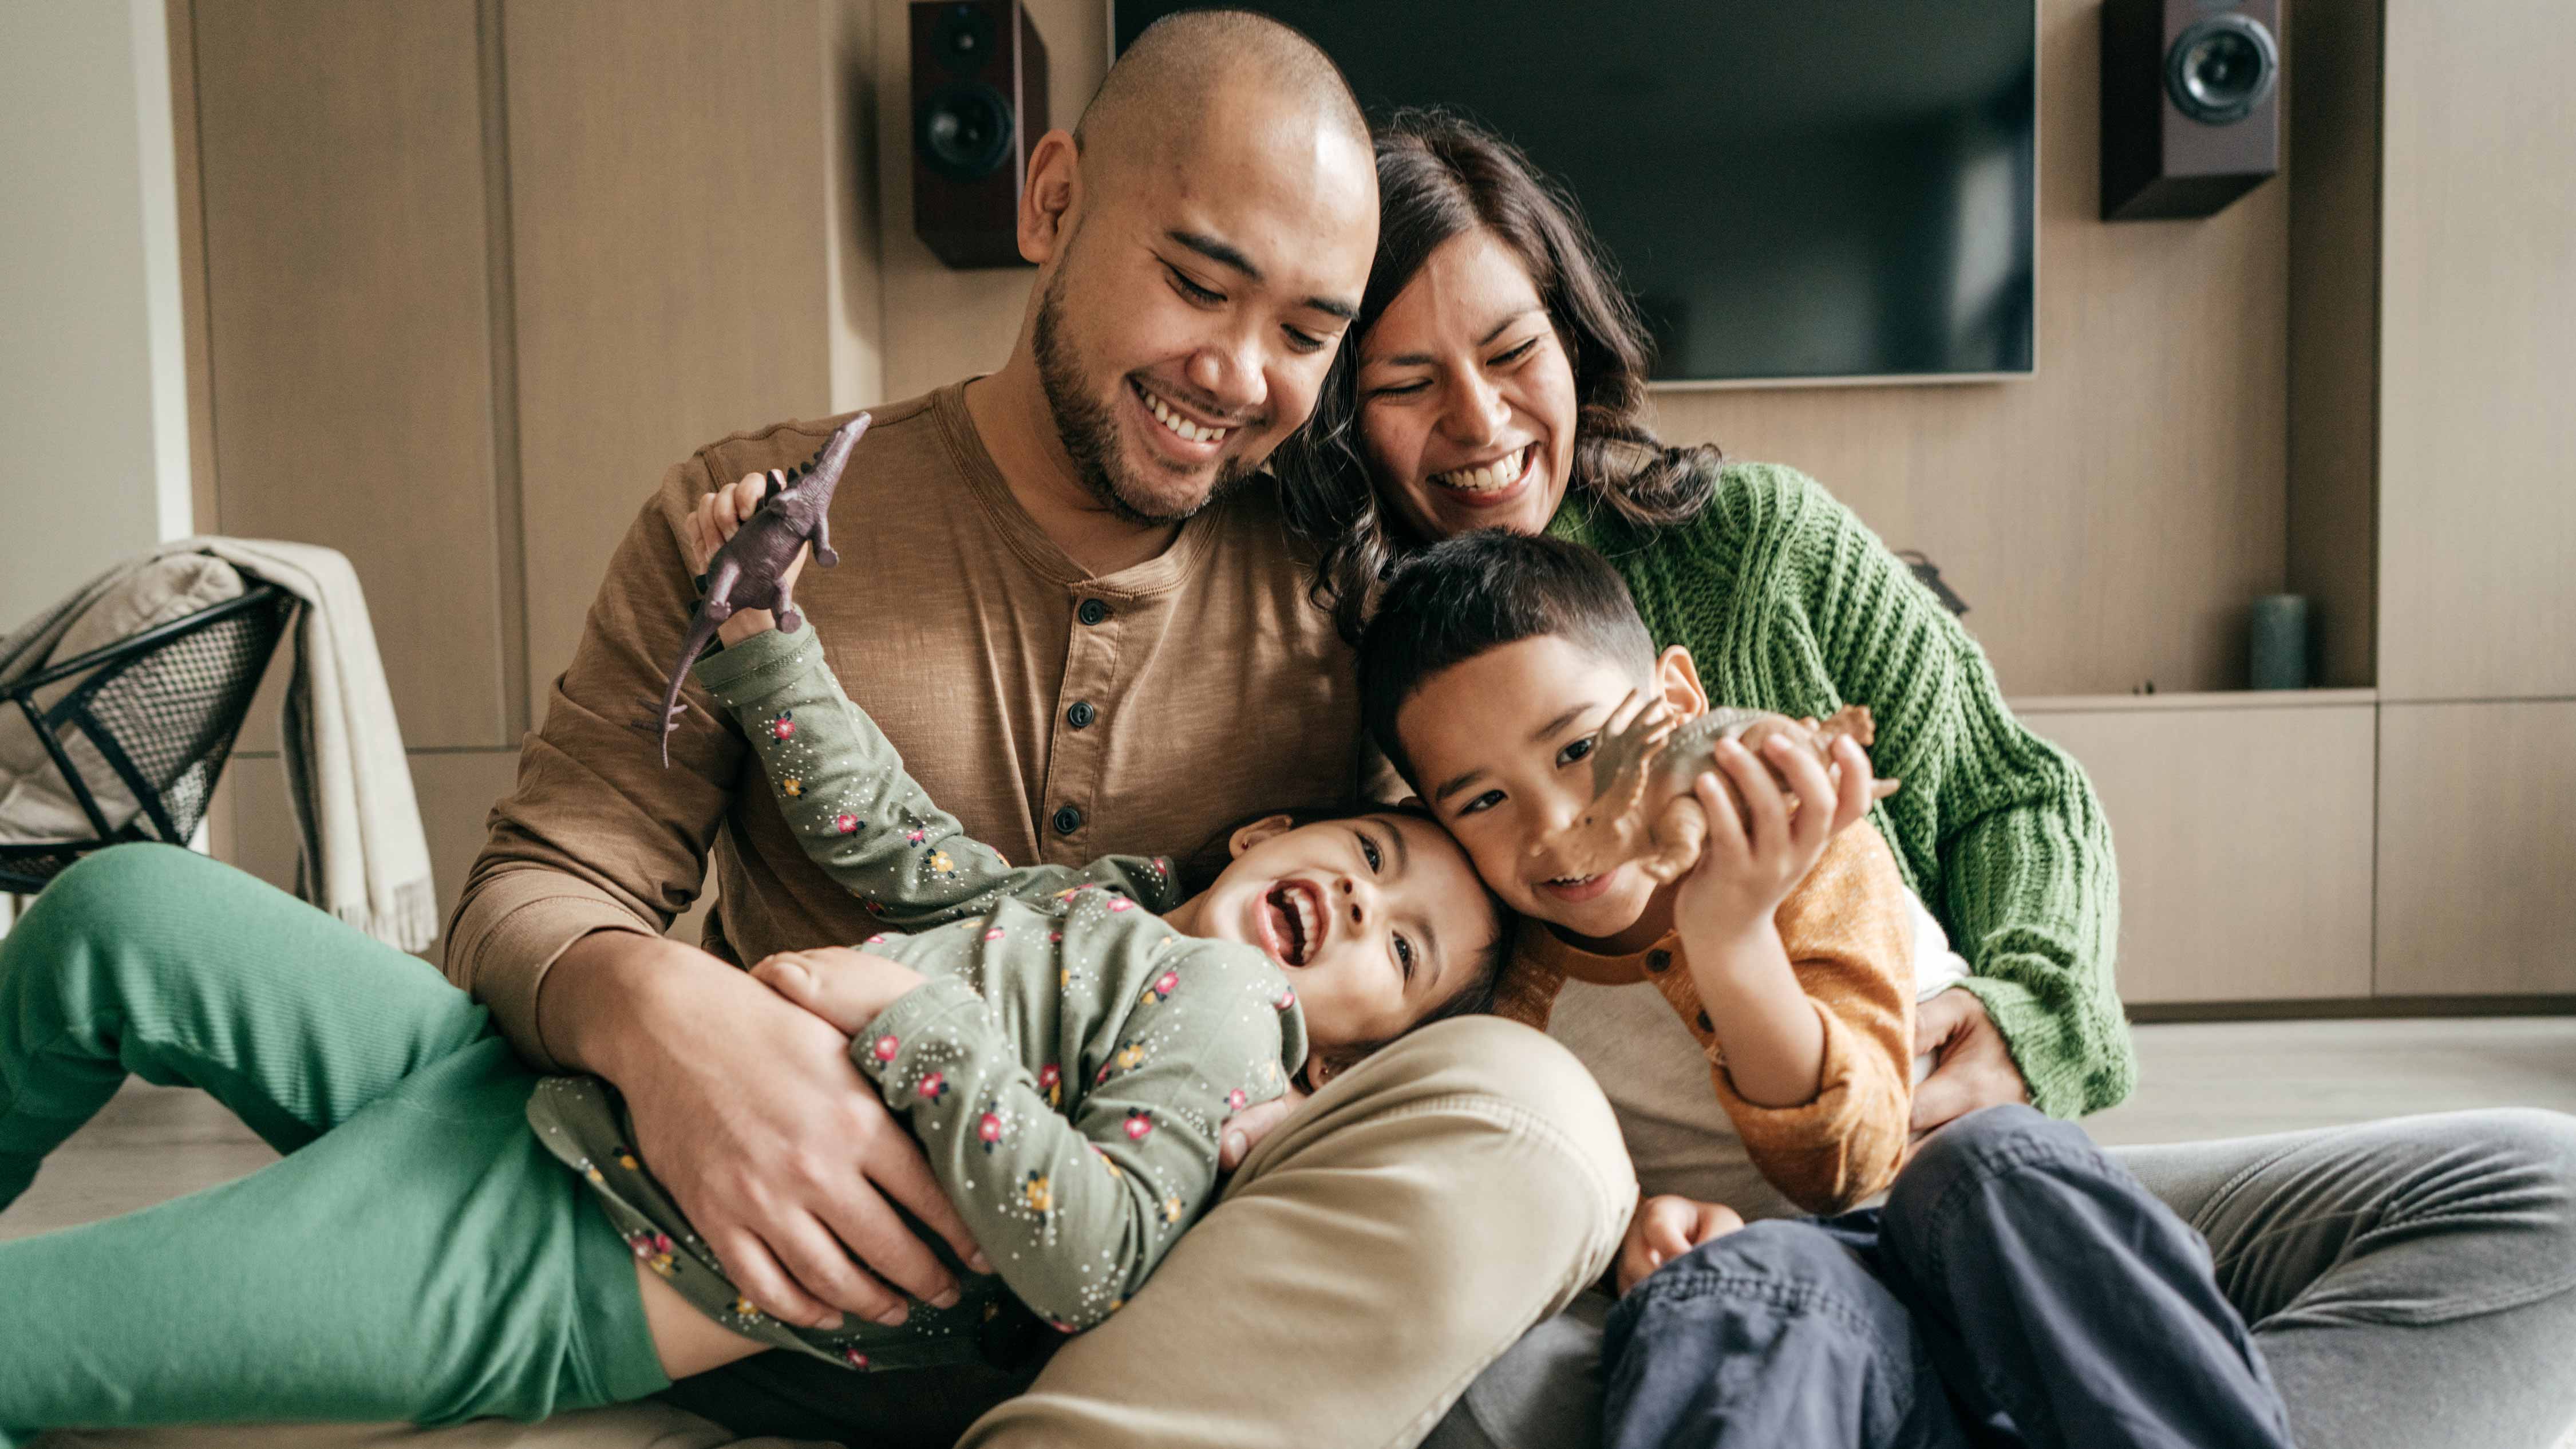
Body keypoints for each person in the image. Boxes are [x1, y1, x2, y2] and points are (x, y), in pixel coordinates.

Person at [27, 22, 1630, 1449]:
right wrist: (659, 1015)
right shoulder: (761, 514)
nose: (1238, 373)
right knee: (113, 910)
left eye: (1306, 333)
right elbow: (543, 878)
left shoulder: (1341, 616)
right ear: (1052, 197)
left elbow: (1482, 926)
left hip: (753, 1288)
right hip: (629, 1102)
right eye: (1199, 284)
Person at [1273, 108, 2576, 1449]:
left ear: (1572, 339)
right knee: (1538, 1370)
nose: (1479, 419)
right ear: (1335, 411)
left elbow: (2019, 795)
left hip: (1966, 1179)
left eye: (1510, 351)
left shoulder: (1757, 545)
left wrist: (2029, 1015)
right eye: (1407, 381)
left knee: (2548, 1203)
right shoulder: (1323, 657)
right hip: (1716, 1256)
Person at [0, 566, 1509, 1432]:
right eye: (1370, 853)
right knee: (119, 909)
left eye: (1405, 954)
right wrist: (763, 650)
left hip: (595, 1238)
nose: (1368, 906)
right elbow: (870, 825)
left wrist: (905, 1021)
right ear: (1271, 832)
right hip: (528, 1075)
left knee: (38, 1328)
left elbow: (1088, 1259)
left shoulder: (1232, 1022)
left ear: (1368, 1044)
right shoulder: (1077, 904)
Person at [1356, 529, 2296, 1449]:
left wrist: (1730, 936)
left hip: (1959, 1236)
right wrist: (1630, 1236)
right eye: (1482, 801)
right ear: (1430, 816)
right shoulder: (1512, 993)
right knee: (1725, 1295)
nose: (1557, 825)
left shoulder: (1809, 849)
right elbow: (1522, 1179)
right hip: (1798, 1298)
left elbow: (1849, 1158)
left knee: (1998, 1165)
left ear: (1678, 700)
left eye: (1580, 750)